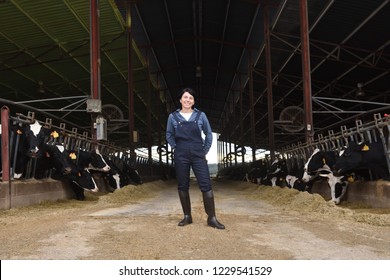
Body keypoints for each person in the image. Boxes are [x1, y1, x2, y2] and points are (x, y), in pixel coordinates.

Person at [166, 87, 225, 229]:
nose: (188, 100)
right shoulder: (173, 117)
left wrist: (204, 150)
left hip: (198, 154)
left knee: (206, 184)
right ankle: (187, 216)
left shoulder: (201, 116)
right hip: (181, 154)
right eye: (185, 97)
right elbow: (169, 134)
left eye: (190, 98)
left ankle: (212, 218)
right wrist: (176, 147)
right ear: (180, 100)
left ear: (193, 101)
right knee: (182, 185)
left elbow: (209, 134)